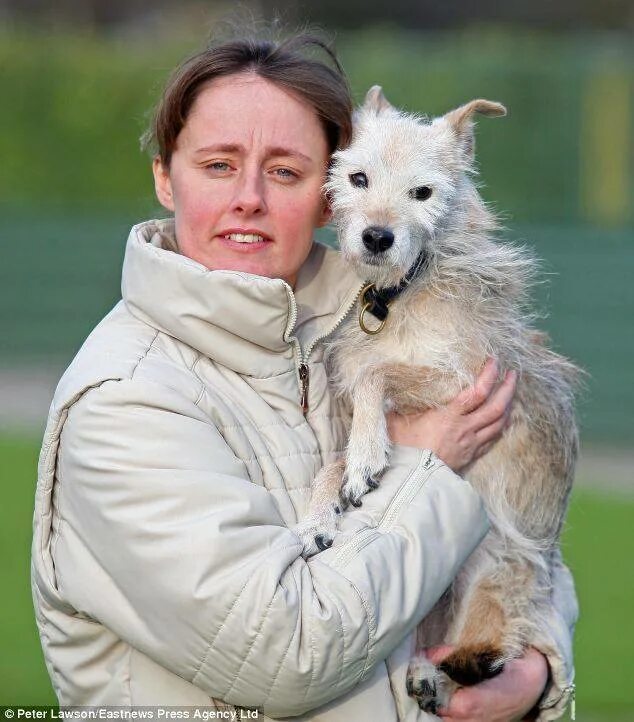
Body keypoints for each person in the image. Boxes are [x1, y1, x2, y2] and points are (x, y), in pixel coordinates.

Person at [31, 33, 577, 721]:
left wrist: (532, 674)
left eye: (286, 172)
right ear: (166, 176)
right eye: (219, 164)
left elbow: (523, 532)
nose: (250, 198)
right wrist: (429, 464)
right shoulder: (123, 403)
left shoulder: (377, 330)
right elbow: (284, 655)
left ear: (329, 194)